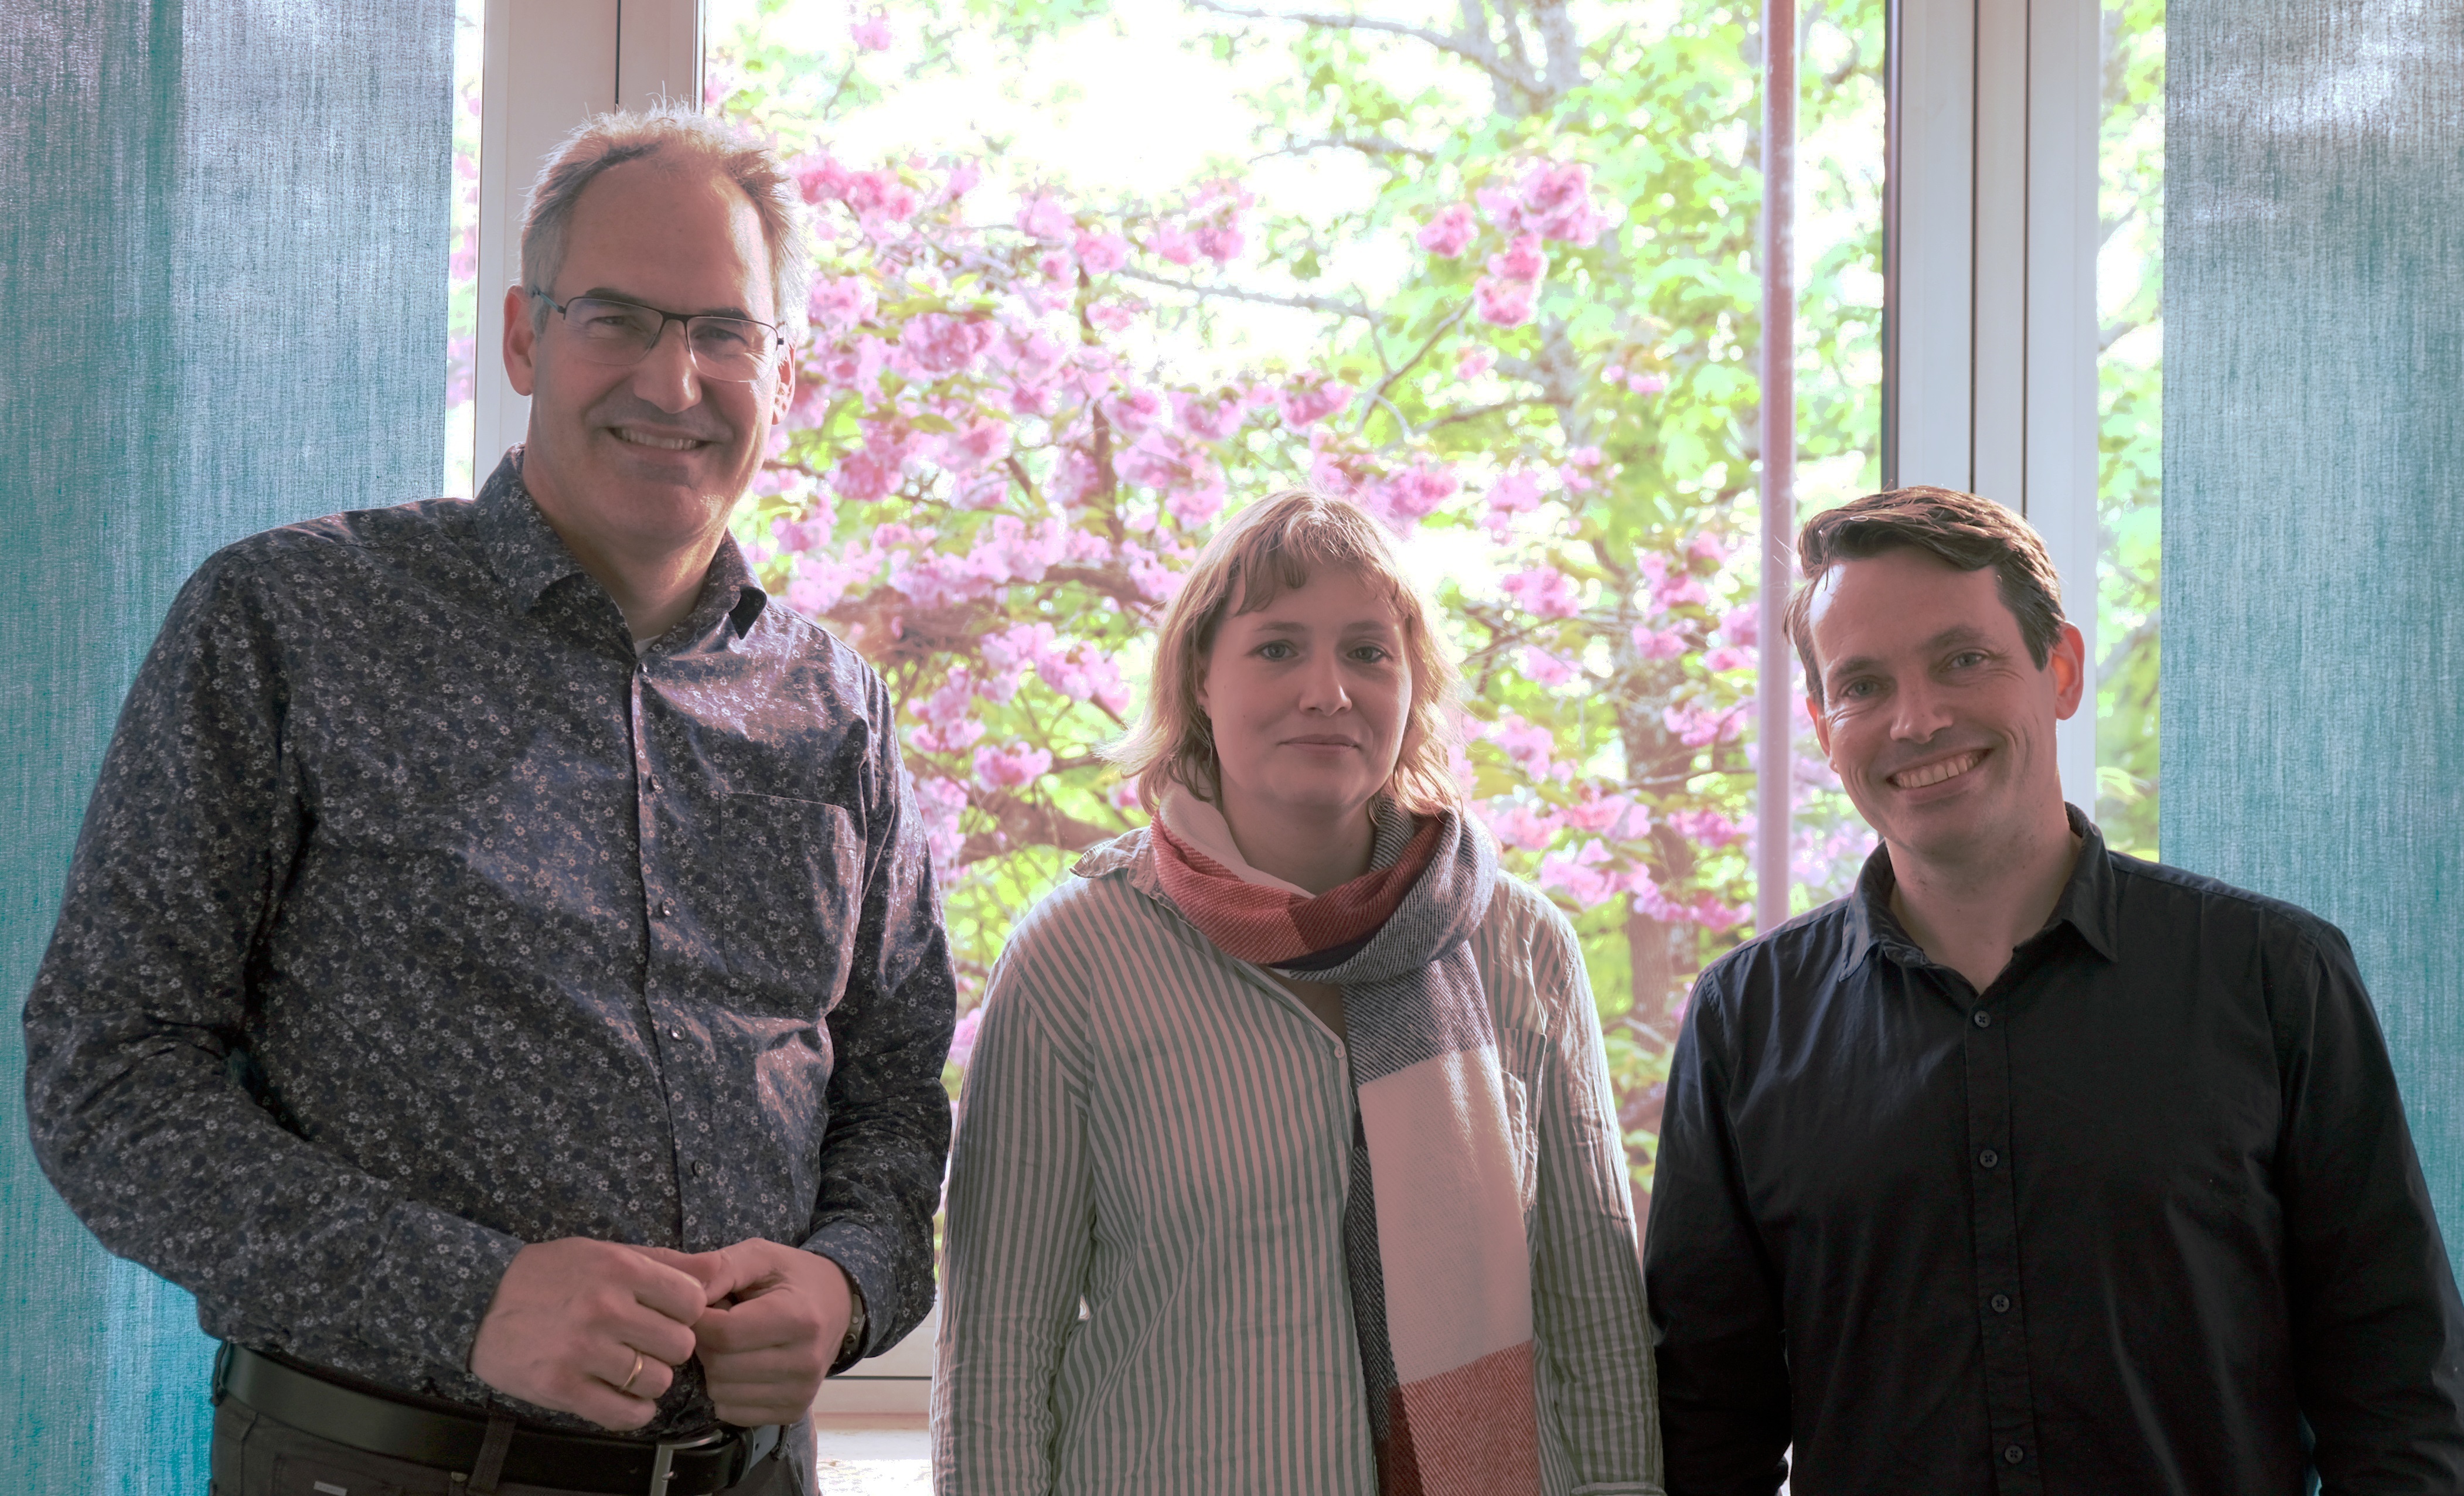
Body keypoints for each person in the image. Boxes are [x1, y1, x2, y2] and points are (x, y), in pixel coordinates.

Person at [22, 107, 956, 1496]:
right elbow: (106, 1078)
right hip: (380, 1466)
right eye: (617, 318)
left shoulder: (837, 711)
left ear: (785, 372)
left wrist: (847, 1283)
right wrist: (470, 1296)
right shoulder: (291, 619)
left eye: (724, 331)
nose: (675, 378)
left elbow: (891, 1104)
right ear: (525, 337)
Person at [1643, 485, 2464, 1494]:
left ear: (2061, 669)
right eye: (1862, 685)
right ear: (1822, 726)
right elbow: (1703, 1430)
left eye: (1963, 659)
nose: (1916, 718)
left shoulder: (2273, 975)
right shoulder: (1743, 1021)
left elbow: (2400, 1398)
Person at [931, 488, 1663, 1496]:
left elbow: (1596, 1319)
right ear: (1200, 676)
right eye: (1277, 648)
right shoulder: (1079, 953)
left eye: (1367, 652)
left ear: (1412, 685)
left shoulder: (1521, 943)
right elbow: (999, 1349)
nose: (1327, 691)